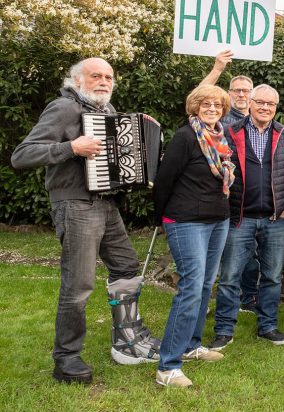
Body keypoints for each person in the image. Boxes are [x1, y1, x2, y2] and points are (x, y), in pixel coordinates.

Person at [11, 58, 160, 384]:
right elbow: (22, 154)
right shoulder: (64, 108)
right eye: (96, 75)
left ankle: (127, 341)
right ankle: (66, 359)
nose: (104, 81)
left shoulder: (107, 112)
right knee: (78, 285)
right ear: (78, 79)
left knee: (125, 266)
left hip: (105, 204)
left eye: (109, 76)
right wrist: (71, 147)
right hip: (75, 205)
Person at [151, 84, 236, 387]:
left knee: (203, 285)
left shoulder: (222, 137)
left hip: (218, 220)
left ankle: (191, 346)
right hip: (186, 221)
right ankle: (167, 367)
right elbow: (164, 180)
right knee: (190, 287)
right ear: (195, 107)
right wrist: (162, 218)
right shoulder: (186, 137)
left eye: (217, 105)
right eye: (206, 104)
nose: (212, 109)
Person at [209, 85, 284, 352]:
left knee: (272, 276)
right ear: (249, 102)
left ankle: (267, 326)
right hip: (239, 217)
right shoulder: (229, 131)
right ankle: (224, 330)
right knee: (230, 276)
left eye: (270, 104)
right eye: (260, 102)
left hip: (275, 218)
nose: (265, 108)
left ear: (276, 107)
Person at [198, 50, 259, 311]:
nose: (241, 95)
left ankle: (249, 298)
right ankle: (218, 299)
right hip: (224, 195)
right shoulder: (220, 118)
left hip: (252, 198)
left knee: (252, 255)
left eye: (246, 91)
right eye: (236, 90)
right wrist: (217, 69)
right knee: (226, 254)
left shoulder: (259, 118)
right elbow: (198, 97)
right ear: (229, 93)